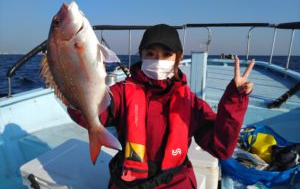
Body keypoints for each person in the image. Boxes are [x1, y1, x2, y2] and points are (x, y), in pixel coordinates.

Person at [67, 24, 255, 189]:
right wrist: (72, 88)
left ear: (178, 58)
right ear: (141, 56)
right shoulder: (121, 93)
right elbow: (88, 114)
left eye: (166, 55)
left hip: (176, 182)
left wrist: (235, 100)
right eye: (151, 54)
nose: (158, 61)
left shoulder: (191, 103)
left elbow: (220, 148)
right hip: (129, 182)